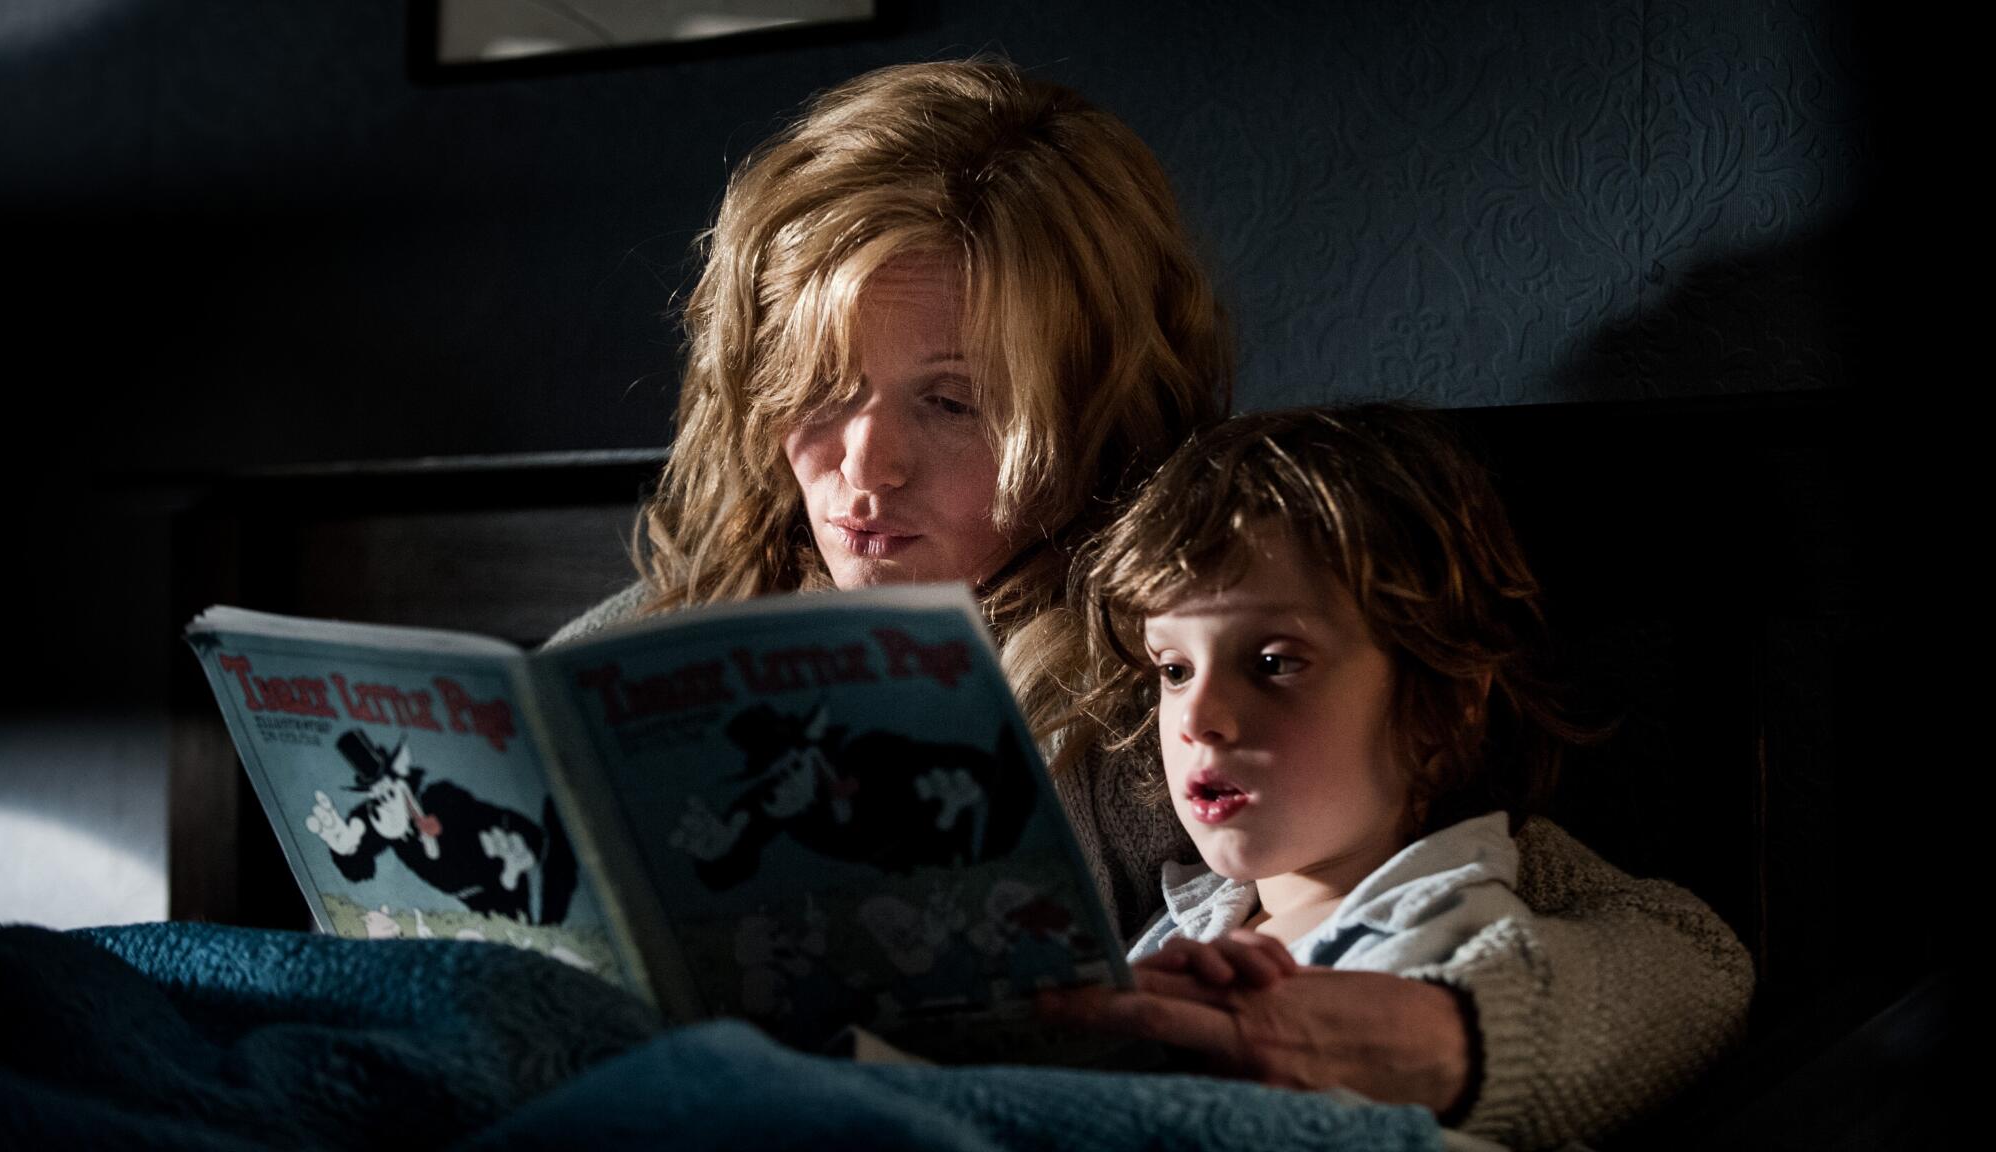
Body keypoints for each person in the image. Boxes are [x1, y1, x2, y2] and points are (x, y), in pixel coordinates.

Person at [548, 57, 1754, 1150]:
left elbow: (1679, 958)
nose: (865, 470)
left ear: (1092, 411)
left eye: (953, 404)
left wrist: (1447, 1045)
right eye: (819, 387)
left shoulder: (1162, 677)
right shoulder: (647, 637)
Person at [1070, 406, 1592, 1069]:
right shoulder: (1188, 919)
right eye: (1174, 669)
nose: (1197, 717)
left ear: (1441, 707)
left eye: (1273, 664)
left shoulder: (1456, 950)